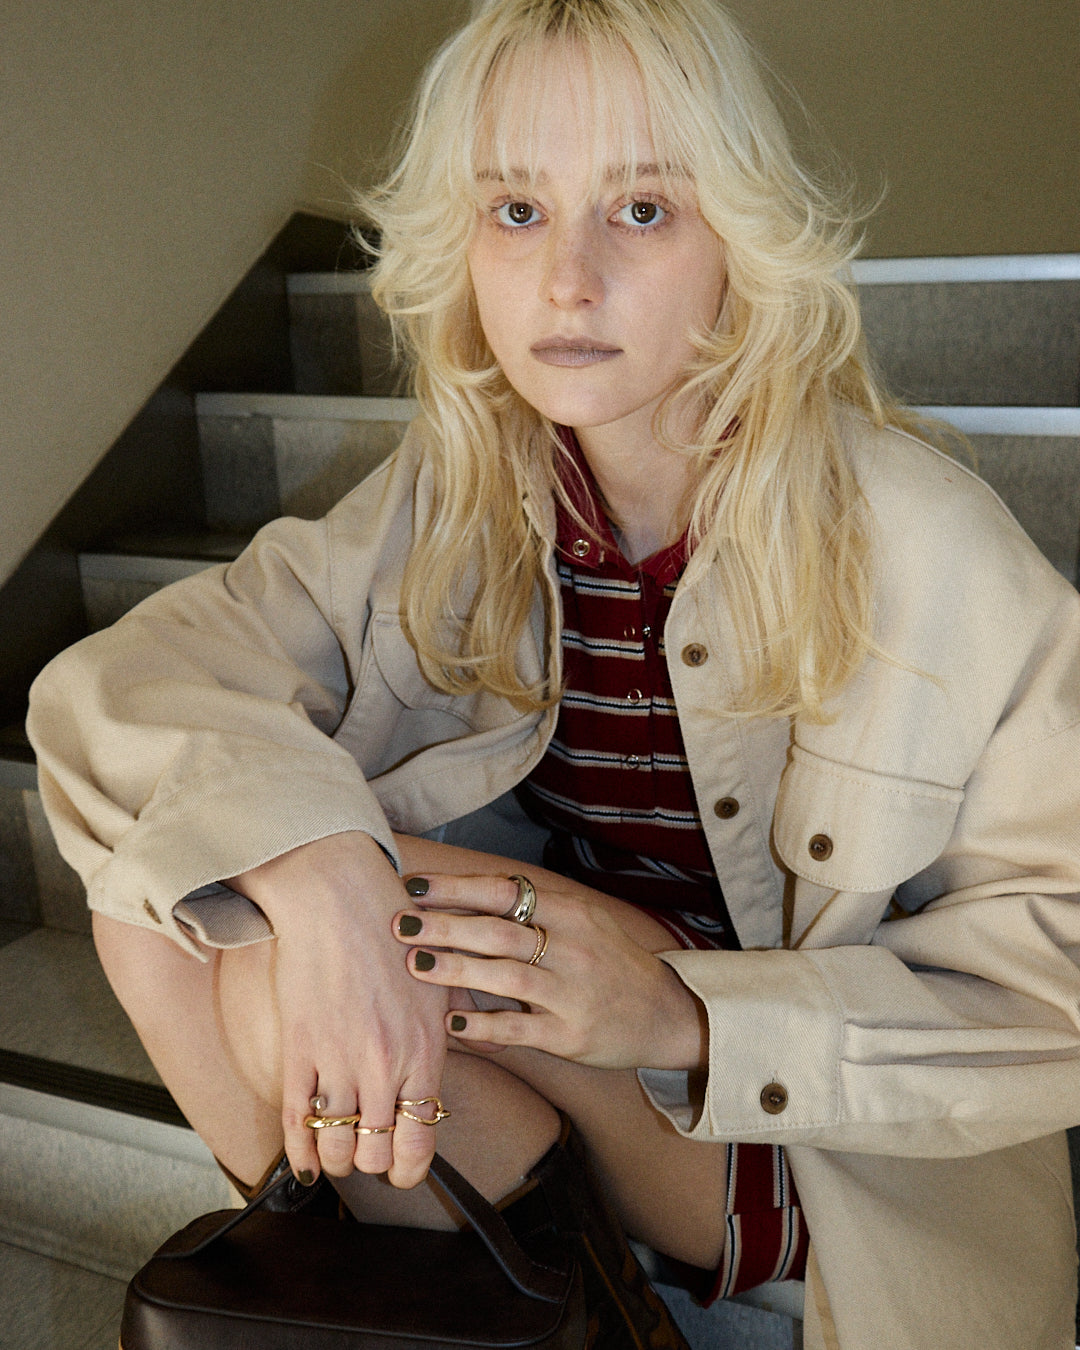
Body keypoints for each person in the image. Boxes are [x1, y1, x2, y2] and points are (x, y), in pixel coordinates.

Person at [26, 1, 1080, 1346]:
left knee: (294, 930)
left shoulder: (927, 544)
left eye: (641, 210)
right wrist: (326, 873)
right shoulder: (461, 498)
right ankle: (414, 1307)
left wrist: (687, 1013)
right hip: (568, 1027)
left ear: (739, 241)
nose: (567, 281)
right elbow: (122, 688)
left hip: (829, 1131)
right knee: (191, 897)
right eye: (517, 211)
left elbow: (1054, 980)